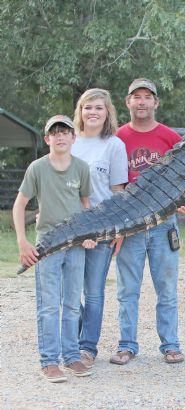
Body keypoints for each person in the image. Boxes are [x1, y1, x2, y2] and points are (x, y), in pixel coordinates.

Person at [110, 78, 185, 366]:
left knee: (167, 289)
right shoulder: (118, 138)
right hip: (131, 225)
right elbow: (113, 182)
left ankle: (171, 346)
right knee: (127, 291)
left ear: (156, 103)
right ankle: (126, 345)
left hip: (164, 224)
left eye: (148, 97)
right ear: (128, 103)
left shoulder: (170, 137)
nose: (143, 102)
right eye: (137, 97)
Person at [13, 115, 96, 382]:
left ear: (73, 138)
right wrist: (23, 241)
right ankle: (49, 361)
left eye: (65, 132)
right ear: (47, 139)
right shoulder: (37, 168)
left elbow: (85, 205)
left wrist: (88, 234)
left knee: (72, 304)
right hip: (48, 246)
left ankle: (71, 356)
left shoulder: (82, 168)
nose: (60, 136)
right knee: (49, 306)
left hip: (75, 245)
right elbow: (19, 205)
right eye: (55, 132)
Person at [72, 89, 128, 368]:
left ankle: (87, 347)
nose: (93, 112)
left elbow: (118, 190)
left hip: (102, 227)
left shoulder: (114, 145)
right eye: (87, 107)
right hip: (70, 227)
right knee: (65, 289)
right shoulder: (69, 141)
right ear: (80, 111)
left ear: (108, 113)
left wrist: (119, 229)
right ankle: (71, 337)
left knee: (93, 291)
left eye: (99, 108)